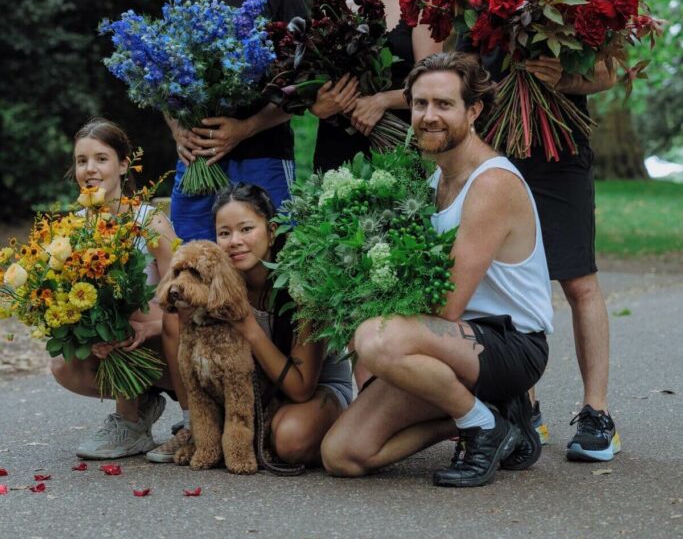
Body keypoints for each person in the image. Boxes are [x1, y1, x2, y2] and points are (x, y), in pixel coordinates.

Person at [321, 52, 553, 488]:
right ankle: (493, 418)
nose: (429, 116)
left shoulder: (491, 185)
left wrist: (372, 320)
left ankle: (480, 425)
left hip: (509, 344)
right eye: (420, 104)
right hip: (442, 352)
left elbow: (446, 305)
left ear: (474, 111)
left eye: (444, 104)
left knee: (375, 336)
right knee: (343, 454)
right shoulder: (436, 179)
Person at [465, 0, 620, 463]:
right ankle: (522, 407)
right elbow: (465, 69)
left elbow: (606, 70)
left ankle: (597, 413)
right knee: (502, 285)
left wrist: (569, 81)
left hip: (559, 148)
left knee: (578, 279)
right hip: (499, 155)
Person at [153, 182, 353, 466]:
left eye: (246, 229)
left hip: (314, 389)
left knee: (289, 439)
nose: (234, 241)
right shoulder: (219, 282)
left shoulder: (302, 285)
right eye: (224, 233)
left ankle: (335, 428)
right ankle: (195, 430)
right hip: (260, 391)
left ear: (271, 231)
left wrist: (248, 326)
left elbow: (300, 388)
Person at [167, 0, 309, 242]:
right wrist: (177, 131)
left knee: (273, 261)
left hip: (265, 158)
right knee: (193, 261)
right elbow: (165, 86)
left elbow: (303, 88)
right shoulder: (186, 4)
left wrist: (244, 129)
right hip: (199, 161)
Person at [51, 119, 177, 459]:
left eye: (101, 159)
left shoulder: (150, 222)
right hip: (126, 348)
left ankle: (197, 419)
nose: (90, 169)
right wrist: (90, 335)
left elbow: (187, 303)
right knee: (64, 364)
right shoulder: (74, 229)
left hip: (170, 346)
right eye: (81, 161)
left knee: (131, 312)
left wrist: (149, 326)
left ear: (123, 164)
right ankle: (135, 417)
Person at [311, 0, 442, 172]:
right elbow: (313, 87)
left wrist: (382, 101)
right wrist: (318, 105)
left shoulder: (417, 6)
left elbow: (433, 86)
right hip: (337, 152)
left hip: (399, 148)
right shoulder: (328, 12)